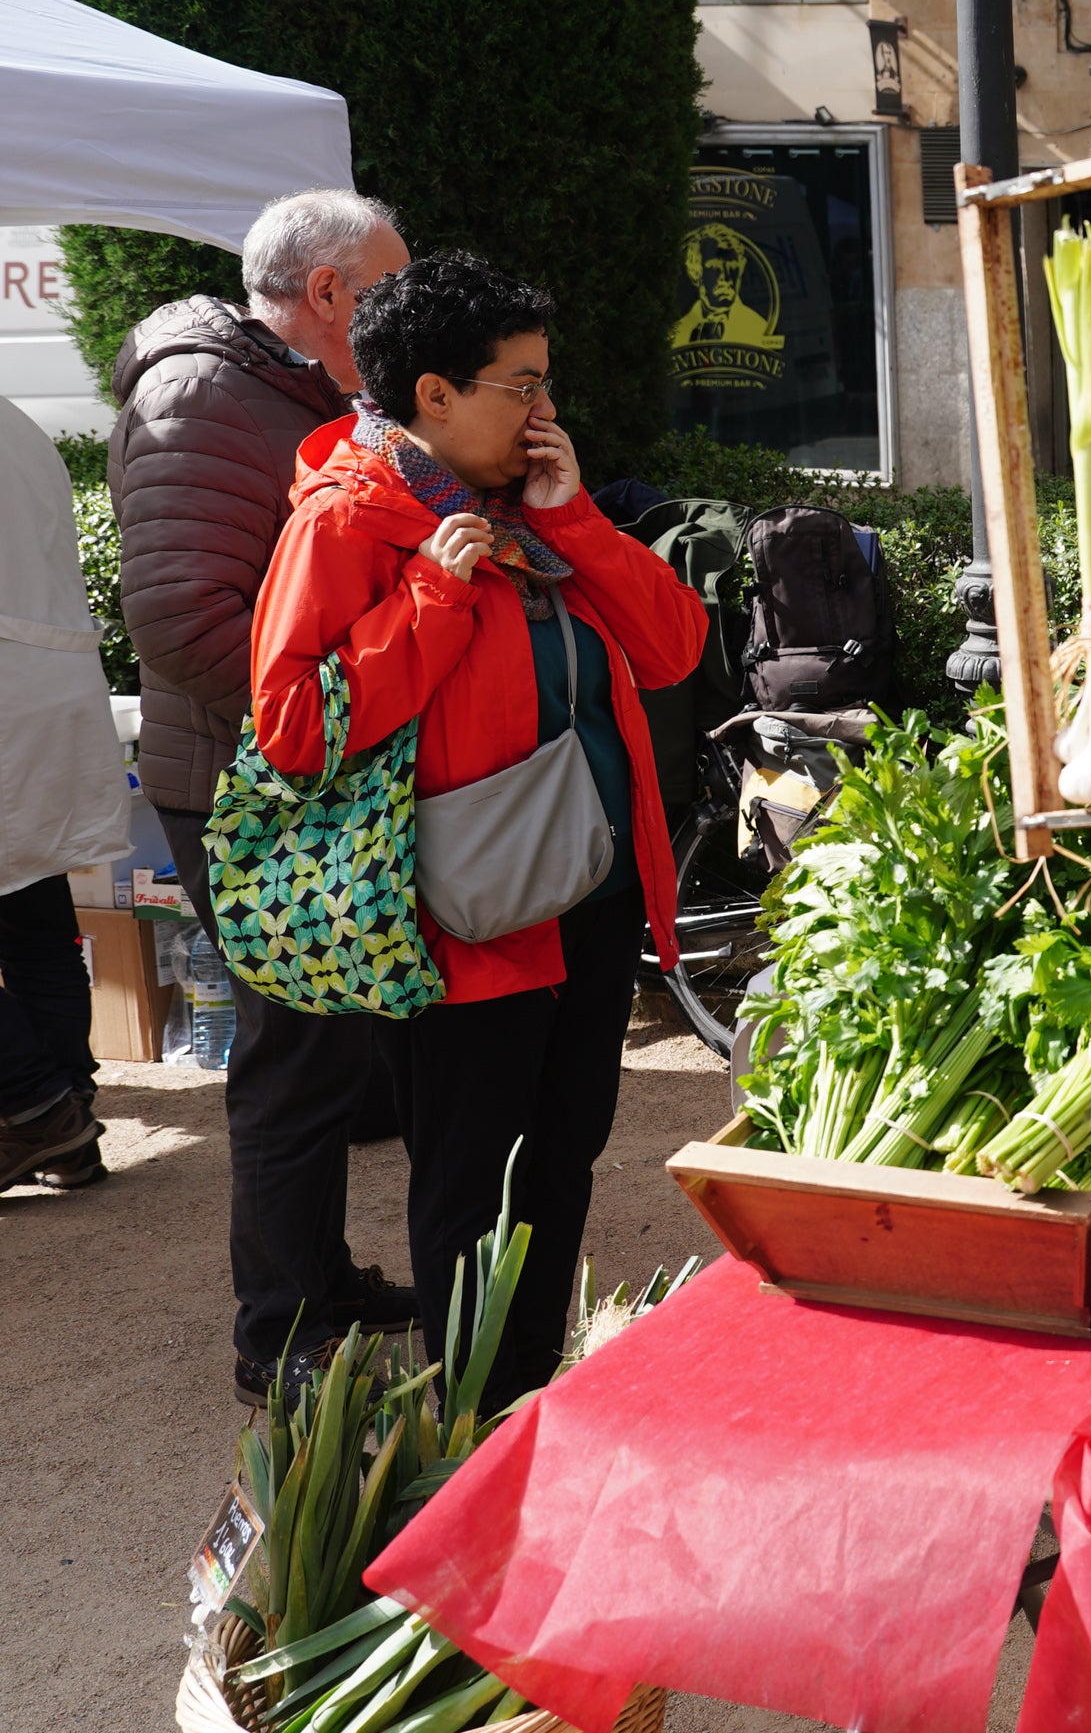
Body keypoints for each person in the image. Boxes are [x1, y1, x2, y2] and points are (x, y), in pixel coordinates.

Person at [248, 251, 706, 1407]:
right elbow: (295, 724)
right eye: (522, 384)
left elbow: (673, 648)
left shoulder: (531, 511)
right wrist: (433, 600)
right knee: (476, 1186)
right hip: (463, 927)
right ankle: (478, 1422)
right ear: (434, 395)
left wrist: (581, 520)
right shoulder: (352, 519)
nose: (545, 410)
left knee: (562, 1163)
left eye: (547, 382)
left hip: (590, 905)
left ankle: (528, 1398)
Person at [107, 188, 420, 1395]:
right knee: (293, 1056)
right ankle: (280, 1335)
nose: (395, 310)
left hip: (293, 771)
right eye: (383, 287)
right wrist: (349, 710)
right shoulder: (200, 391)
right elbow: (185, 622)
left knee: (330, 1049)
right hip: (252, 781)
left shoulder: (296, 390)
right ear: (328, 293)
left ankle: (319, 1281)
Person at [0, 400, 135, 1185]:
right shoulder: (16, 421)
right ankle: (70, 1123)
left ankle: (33, 1106)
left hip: (13, 690)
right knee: (34, 916)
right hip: (46, 689)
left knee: (32, 914)